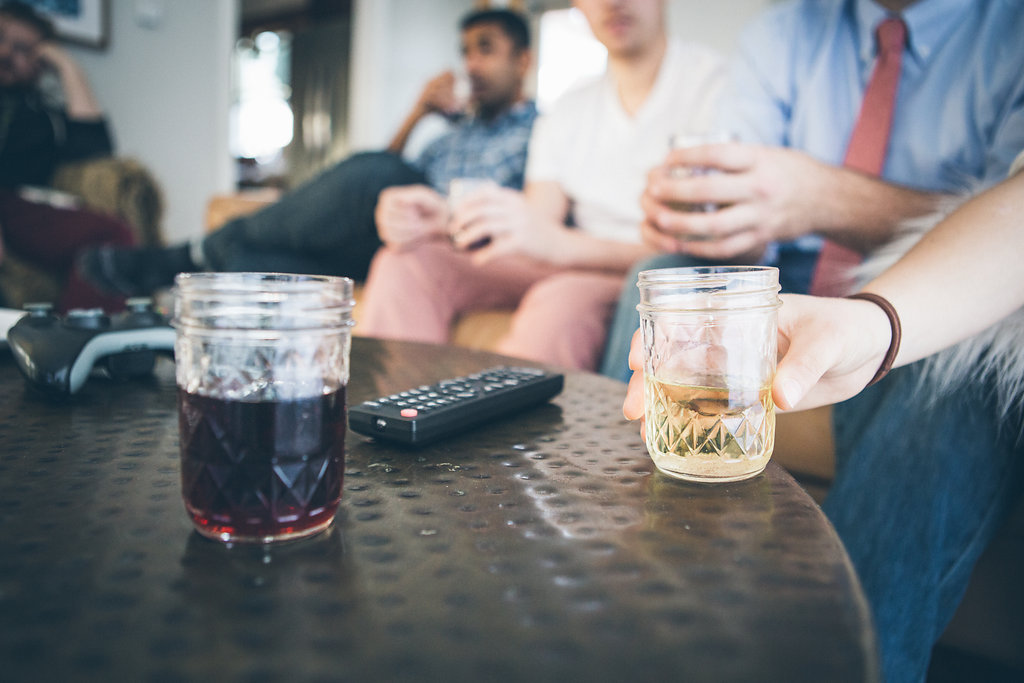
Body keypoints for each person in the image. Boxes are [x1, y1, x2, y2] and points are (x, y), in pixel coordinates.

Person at [624, 150, 1024, 682]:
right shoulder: (776, 64)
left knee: (964, 369)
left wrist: (829, 203)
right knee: (657, 273)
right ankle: (648, 605)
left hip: (923, 282)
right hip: (799, 281)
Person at [599, 0, 1024, 383]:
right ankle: (628, 462)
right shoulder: (780, 33)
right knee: (667, 270)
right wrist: (717, 224)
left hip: (930, 284)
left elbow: (1005, 233)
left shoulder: (1013, 33)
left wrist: (822, 197)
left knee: (971, 343)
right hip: (789, 274)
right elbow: (747, 229)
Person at [357, 0, 725, 371]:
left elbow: (705, 246)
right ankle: (393, 420)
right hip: (568, 258)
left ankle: (507, 428)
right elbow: (537, 222)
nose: (613, 3)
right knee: (405, 260)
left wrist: (560, 245)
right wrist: (445, 219)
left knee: (560, 301)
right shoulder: (568, 109)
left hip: (640, 270)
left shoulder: (717, 90)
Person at [79, 8, 538, 295]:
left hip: (440, 245)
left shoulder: (540, 134)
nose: (471, 64)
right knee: (246, 265)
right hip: (380, 237)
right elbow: (374, 181)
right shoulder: (449, 135)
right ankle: (196, 272)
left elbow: (381, 177)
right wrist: (418, 113)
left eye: (486, 50)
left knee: (378, 173)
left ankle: (182, 256)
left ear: (522, 60)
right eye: (466, 52)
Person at [0, 0, 136, 312]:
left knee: (111, 233)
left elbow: (95, 151)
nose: (7, 53)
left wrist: (65, 64)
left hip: (22, 206)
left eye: (22, 49)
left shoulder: (42, 116)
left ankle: (77, 342)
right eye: (0, 38)